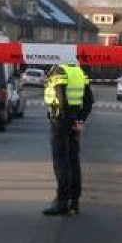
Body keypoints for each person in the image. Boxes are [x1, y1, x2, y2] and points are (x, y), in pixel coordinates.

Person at [42, 63, 93, 216]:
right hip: (74, 121)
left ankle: (62, 202)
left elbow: (61, 100)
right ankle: (74, 201)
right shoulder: (78, 71)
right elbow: (89, 101)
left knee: (61, 161)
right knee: (73, 160)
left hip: (61, 121)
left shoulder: (59, 71)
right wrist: (80, 120)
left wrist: (70, 120)